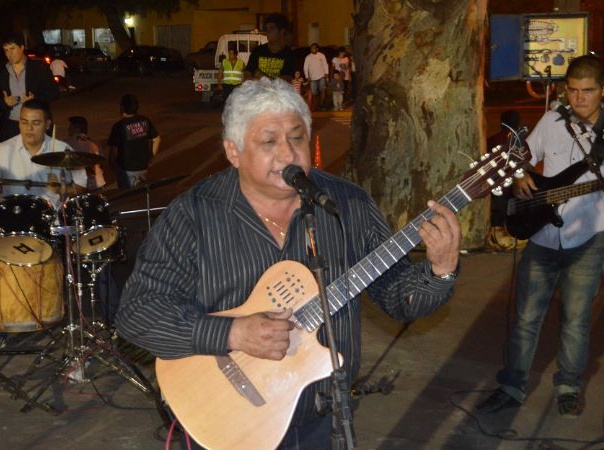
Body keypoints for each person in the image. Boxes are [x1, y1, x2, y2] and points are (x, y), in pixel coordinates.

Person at [115, 78, 461, 449]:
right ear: (233, 151)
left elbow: (396, 297)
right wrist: (234, 334)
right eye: (269, 141)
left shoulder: (346, 204)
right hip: (228, 418)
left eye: (297, 138)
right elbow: (137, 314)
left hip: (323, 416)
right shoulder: (193, 215)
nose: (287, 153)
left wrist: (441, 270)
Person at [476, 55, 604, 418]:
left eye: (588, 92)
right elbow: (522, 156)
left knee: (576, 318)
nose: (579, 99)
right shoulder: (552, 120)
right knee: (526, 317)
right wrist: (518, 176)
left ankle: (568, 385)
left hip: (590, 238)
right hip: (544, 234)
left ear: (602, 92)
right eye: (573, 91)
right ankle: (511, 386)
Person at [0, 99, 87, 206]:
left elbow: (81, 185)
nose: (29, 128)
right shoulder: (1, 150)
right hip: (14, 216)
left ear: (47, 124)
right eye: (24, 122)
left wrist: (62, 189)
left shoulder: (62, 149)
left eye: (36, 123)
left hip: (53, 218)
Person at [0, 34, 60, 144]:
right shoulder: (1, 71)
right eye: (6, 50)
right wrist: (5, 102)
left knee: (35, 159)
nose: (9, 54)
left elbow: (54, 92)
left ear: (22, 47)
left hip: (35, 124)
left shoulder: (39, 68)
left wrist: (35, 100)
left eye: (12, 49)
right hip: (11, 125)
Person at [486, 110, 522, 251]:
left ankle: (495, 237)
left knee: (497, 217)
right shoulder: (517, 141)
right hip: (510, 187)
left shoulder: (491, 140)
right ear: (517, 123)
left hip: (494, 185)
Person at [107, 94, 160, 189]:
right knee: (140, 191)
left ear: (122, 108)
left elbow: (114, 150)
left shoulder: (119, 126)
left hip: (126, 168)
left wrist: (112, 165)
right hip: (143, 166)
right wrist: (150, 157)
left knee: (128, 196)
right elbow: (157, 139)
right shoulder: (145, 120)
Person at [244, 13, 297, 81]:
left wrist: (263, 77)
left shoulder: (289, 55)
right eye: (267, 28)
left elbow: (286, 80)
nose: (268, 31)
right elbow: (247, 73)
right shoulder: (257, 51)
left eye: (272, 28)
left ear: (282, 31)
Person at [65, 116, 105, 191]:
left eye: (71, 127)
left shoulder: (66, 144)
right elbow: (102, 163)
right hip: (97, 185)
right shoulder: (95, 143)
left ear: (77, 129)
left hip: (78, 187)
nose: (68, 129)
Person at [303, 43, 329, 110]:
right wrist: (307, 76)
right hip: (312, 78)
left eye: (314, 48)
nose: (313, 49)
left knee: (323, 90)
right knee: (314, 93)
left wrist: (326, 73)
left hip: (321, 76)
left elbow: (325, 64)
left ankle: (322, 105)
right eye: (311, 48)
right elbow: (305, 67)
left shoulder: (321, 55)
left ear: (317, 48)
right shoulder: (308, 57)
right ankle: (316, 106)